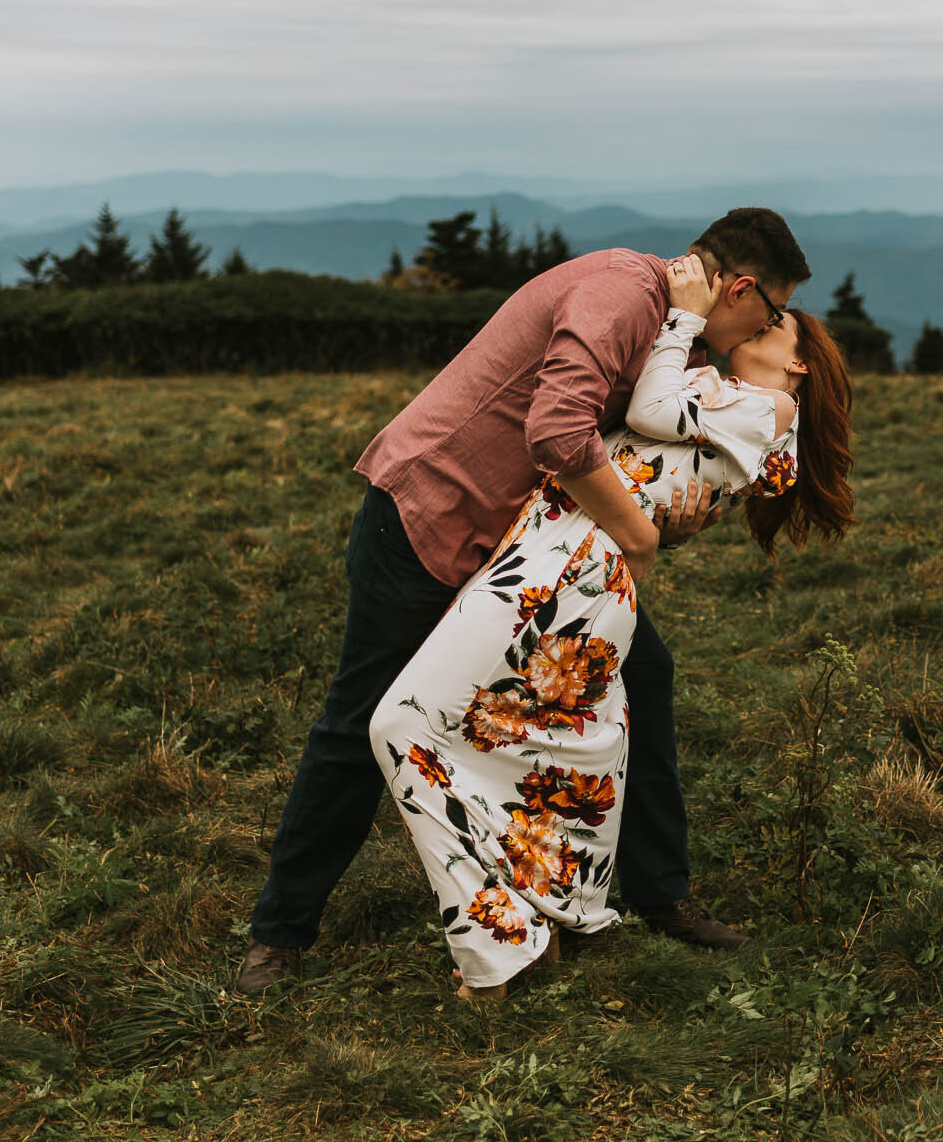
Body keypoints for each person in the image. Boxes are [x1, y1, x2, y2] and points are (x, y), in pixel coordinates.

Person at [236, 207, 808, 994]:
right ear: (740, 288)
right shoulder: (621, 295)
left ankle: (659, 896)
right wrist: (637, 539)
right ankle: (280, 935)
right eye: (773, 312)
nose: (765, 328)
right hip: (433, 519)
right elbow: (558, 432)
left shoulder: (669, 325)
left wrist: (662, 515)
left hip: (530, 554)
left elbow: (634, 449)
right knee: (360, 720)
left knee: (643, 679)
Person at [370, 257, 854, 996]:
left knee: (403, 726)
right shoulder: (736, 403)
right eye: (768, 309)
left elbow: (650, 412)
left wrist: (685, 317)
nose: (760, 321)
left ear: (796, 363)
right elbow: (659, 459)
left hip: (567, 568)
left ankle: (503, 946)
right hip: (563, 559)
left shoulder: (769, 411)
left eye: (776, 322)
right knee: (536, 740)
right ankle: (551, 913)